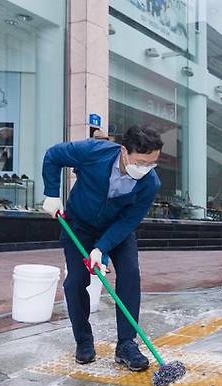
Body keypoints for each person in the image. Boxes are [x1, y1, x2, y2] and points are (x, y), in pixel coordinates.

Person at [42, 125, 163, 371]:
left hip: (118, 230)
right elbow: (53, 155)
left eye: (152, 164)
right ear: (124, 151)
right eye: (141, 162)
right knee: (76, 281)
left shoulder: (150, 183)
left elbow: (129, 221)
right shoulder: (93, 151)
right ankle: (84, 342)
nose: (146, 169)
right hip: (79, 226)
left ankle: (126, 344)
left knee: (130, 274)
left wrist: (102, 248)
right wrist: (51, 194)